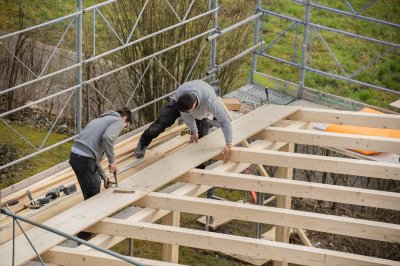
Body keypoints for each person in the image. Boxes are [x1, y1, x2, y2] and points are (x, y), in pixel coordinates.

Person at [135, 80, 232, 163]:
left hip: (202, 107)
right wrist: (194, 131)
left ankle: (198, 166)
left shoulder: (211, 102)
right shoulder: (182, 93)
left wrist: (228, 144)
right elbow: (187, 116)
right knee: (163, 122)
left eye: (187, 111)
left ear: (194, 106)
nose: (184, 113)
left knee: (202, 136)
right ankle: (143, 143)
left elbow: (225, 122)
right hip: (182, 101)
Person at [69, 107, 132, 200]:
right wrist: (112, 161)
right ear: (125, 118)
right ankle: (91, 213)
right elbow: (107, 138)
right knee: (93, 195)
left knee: (90, 190)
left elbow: (92, 156)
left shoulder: (100, 120)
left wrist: (104, 177)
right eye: (126, 126)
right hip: (84, 158)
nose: (123, 129)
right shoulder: (118, 121)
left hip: (75, 156)